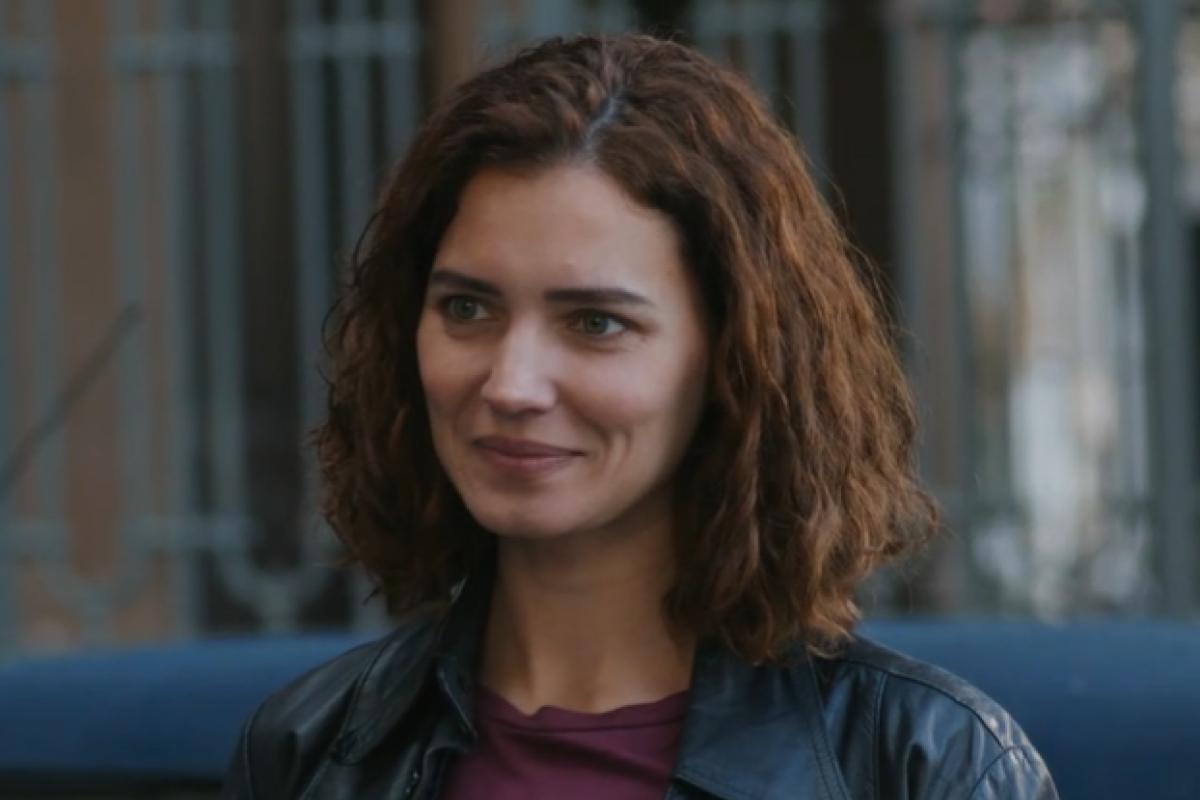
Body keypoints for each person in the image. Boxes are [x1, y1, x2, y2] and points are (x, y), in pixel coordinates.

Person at [223, 33, 1057, 799]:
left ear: (735, 359)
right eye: (468, 309)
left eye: (595, 323)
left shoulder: (922, 763)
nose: (512, 384)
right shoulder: (312, 750)